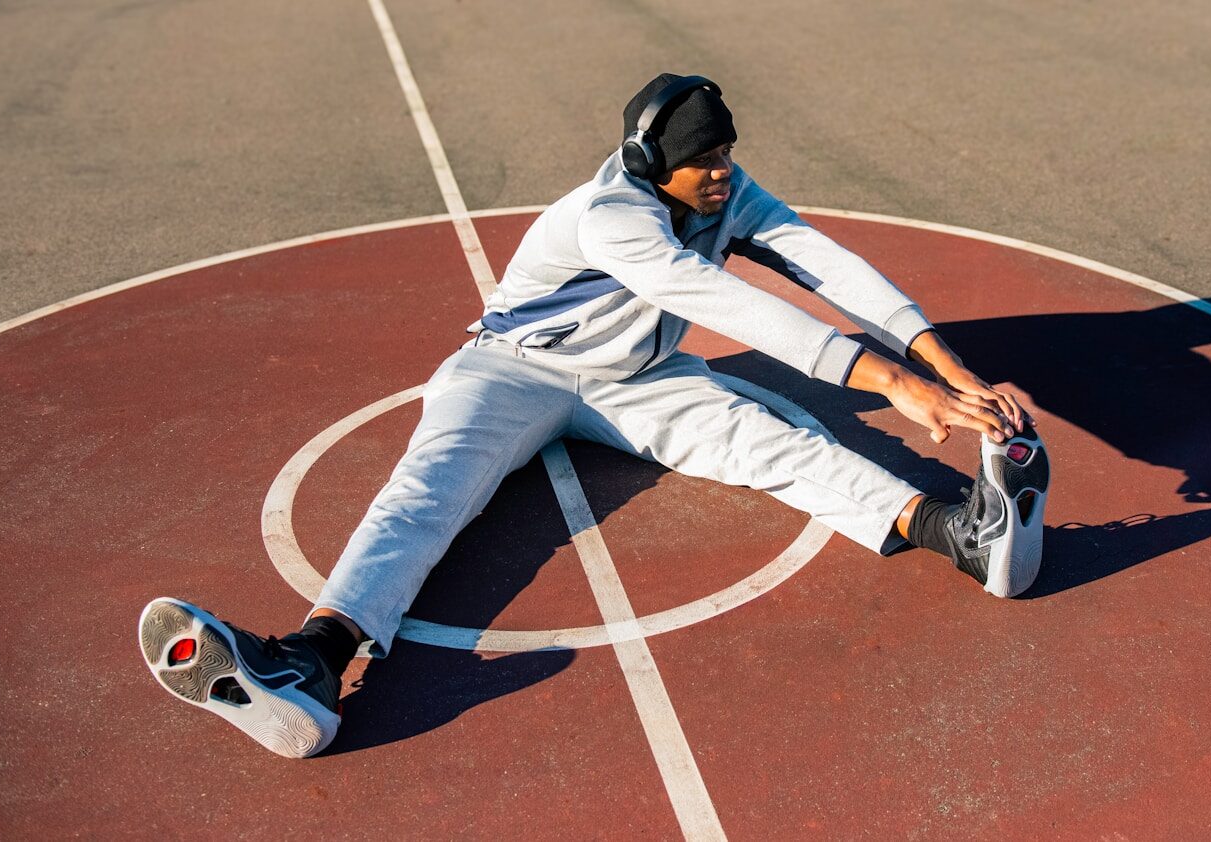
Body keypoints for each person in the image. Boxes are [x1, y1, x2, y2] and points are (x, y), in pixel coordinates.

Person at [137, 74, 1051, 758]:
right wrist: (890, 385)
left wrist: (942, 364)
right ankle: (313, 665)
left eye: (730, 155)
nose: (726, 175)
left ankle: (963, 534)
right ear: (659, 165)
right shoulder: (609, 216)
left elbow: (826, 263)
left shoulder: (725, 188)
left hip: (640, 381)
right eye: (709, 163)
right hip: (512, 372)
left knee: (779, 445)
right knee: (426, 492)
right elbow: (725, 301)